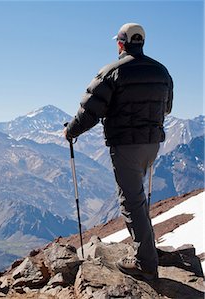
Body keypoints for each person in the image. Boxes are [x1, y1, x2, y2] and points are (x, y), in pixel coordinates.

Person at [64, 23, 173, 280]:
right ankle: (148, 250)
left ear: (121, 43)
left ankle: (145, 262)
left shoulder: (112, 72)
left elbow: (91, 111)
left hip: (125, 145)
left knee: (131, 200)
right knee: (138, 197)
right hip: (152, 144)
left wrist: (71, 131)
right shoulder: (161, 71)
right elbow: (166, 108)